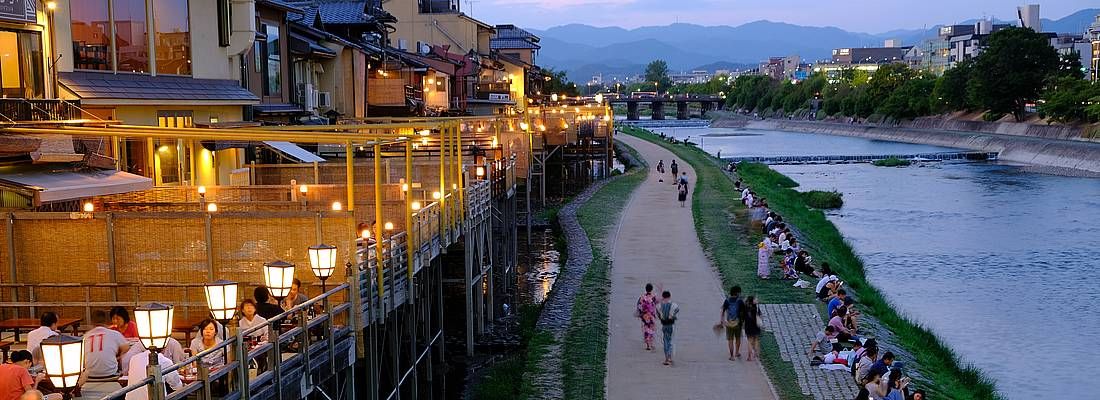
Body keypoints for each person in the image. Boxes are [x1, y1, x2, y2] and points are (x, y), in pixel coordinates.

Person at [79, 311, 129, 397]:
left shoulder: (85, 336)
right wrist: (118, 356)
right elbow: (126, 348)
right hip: (110, 376)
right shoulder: (114, 334)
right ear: (107, 322)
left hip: (89, 378)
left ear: (92, 323)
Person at [720, 286, 745, 360]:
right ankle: (737, 352)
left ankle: (731, 356)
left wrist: (722, 320)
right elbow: (744, 312)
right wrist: (743, 322)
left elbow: (723, 310)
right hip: (738, 323)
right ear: (737, 293)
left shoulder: (727, 301)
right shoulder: (740, 301)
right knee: (738, 338)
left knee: (730, 339)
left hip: (729, 323)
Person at [654, 291, 679, 366]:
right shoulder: (674, 305)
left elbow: (658, 315)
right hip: (671, 325)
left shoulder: (659, 306)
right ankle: (670, 358)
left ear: (663, 297)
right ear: (669, 296)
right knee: (671, 341)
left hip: (664, 325)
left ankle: (666, 358)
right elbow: (676, 311)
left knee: (665, 341)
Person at [635, 284, 659, 351]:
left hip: (645, 316)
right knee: (651, 329)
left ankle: (647, 344)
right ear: (651, 289)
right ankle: (650, 343)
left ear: (646, 289)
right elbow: (656, 303)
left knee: (646, 328)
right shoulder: (653, 297)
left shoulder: (642, 297)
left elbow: (639, 305)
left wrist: (640, 313)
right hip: (651, 315)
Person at [742, 296, 762, 362]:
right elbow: (760, 316)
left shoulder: (745, 308)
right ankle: (756, 354)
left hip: (748, 326)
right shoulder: (756, 308)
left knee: (750, 341)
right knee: (756, 340)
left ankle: (749, 357)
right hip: (756, 326)